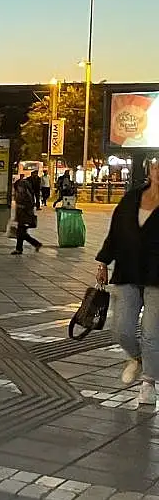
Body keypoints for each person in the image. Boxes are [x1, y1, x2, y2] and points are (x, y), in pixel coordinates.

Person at [96, 162, 159, 408]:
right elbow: (116, 232)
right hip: (128, 270)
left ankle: (148, 383)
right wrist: (103, 261)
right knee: (121, 329)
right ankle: (138, 358)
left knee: (152, 333)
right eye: (157, 167)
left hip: (157, 276)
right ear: (150, 170)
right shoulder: (131, 199)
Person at [11, 175, 42, 255]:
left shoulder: (27, 194)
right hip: (21, 216)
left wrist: (22, 207)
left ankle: (32, 245)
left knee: (21, 233)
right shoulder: (20, 194)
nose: (18, 189)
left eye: (19, 187)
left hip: (26, 216)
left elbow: (30, 205)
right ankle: (31, 245)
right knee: (21, 233)